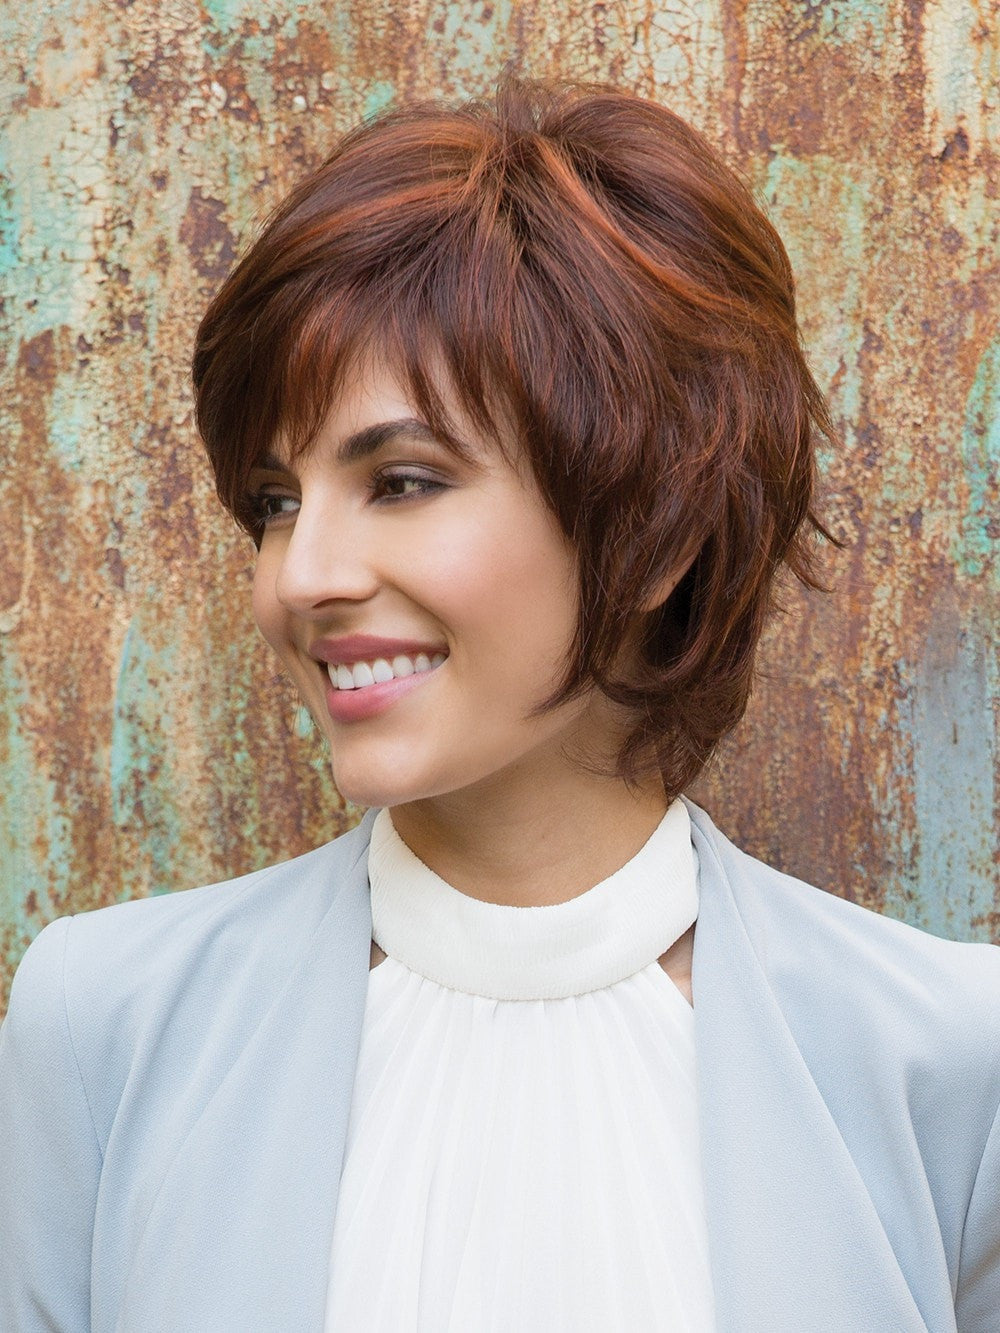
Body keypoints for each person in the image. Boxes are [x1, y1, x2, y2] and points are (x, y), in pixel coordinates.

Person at [1, 75, 997, 1333]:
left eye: (402, 481)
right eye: (275, 502)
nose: (301, 577)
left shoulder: (947, 1059)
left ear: (657, 526)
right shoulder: (105, 1022)